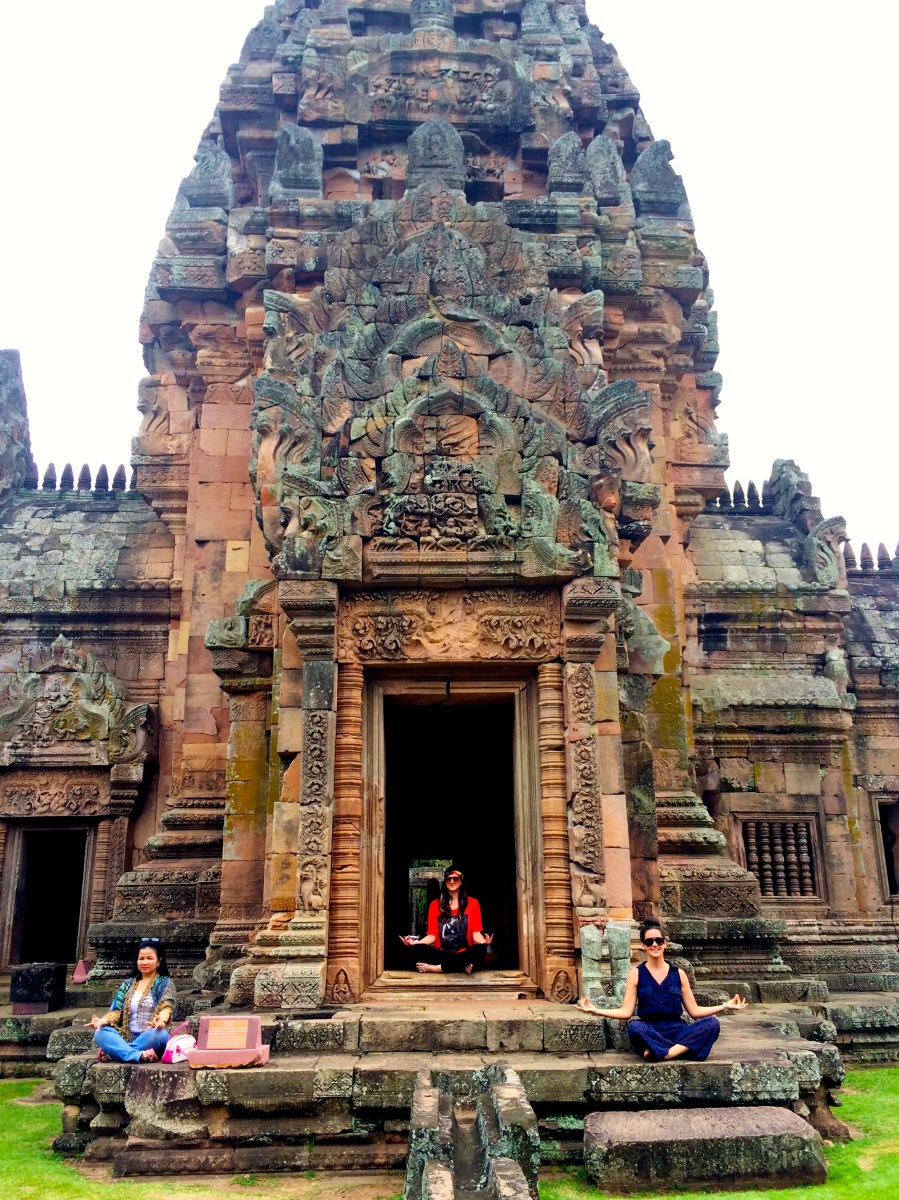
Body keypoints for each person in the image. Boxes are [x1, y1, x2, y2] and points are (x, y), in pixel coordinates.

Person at [576, 921, 748, 1061]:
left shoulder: (679, 974)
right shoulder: (636, 974)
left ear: (664, 944)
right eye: (649, 942)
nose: (654, 945)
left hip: (678, 1030)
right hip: (651, 1030)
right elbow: (626, 1012)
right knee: (635, 1027)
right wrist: (596, 1010)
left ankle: (666, 1053)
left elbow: (695, 1011)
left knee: (712, 1024)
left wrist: (725, 1006)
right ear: (643, 946)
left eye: (658, 941)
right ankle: (681, 1049)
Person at [85, 938, 176, 1063]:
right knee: (101, 1032)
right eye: (141, 958)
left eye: (150, 958)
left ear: (159, 961)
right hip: (127, 1037)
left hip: (151, 1036)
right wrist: (102, 1021)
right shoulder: (127, 984)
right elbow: (116, 1011)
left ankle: (117, 1053)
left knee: (159, 1033)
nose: (145, 962)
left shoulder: (165, 983)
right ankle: (138, 1055)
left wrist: (162, 1020)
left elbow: (167, 1005)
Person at [399, 865, 494, 974]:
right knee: (416, 949)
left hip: (464, 952)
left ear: (461, 881)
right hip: (442, 954)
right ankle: (462, 966)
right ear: (445, 882)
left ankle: (437, 968)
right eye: (449, 879)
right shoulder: (435, 905)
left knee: (480, 949)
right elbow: (432, 936)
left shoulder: (473, 904)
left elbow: (475, 933)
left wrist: (483, 942)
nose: (452, 881)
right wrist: (416, 943)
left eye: (455, 878)